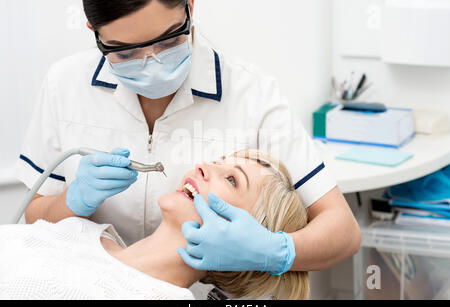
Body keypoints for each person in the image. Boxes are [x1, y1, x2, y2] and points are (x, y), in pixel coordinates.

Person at [15, 0, 360, 278]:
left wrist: (271, 250)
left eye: (167, 42)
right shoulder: (65, 85)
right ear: (95, 33)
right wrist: (72, 203)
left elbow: (343, 232)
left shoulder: (253, 95)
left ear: (190, 8)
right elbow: (35, 214)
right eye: (124, 53)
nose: (150, 64)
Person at [1, 150, 308, 300]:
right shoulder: (81, 230)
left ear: (244, 235)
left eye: (232, 179)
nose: (204, 165)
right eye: (219, 160)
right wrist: (71, 200)